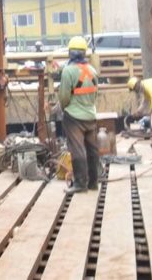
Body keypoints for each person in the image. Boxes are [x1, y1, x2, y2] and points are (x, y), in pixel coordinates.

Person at [57, 35, 100, 194]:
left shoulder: (68, 71)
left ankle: (80, 184)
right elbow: (96, 94)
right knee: (92, 150)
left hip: (74, 117)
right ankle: (93, 182)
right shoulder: (93, 71)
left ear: (70, 53)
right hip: (90, 115)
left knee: (78, 150)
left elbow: (64, 97)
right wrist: (88, 106)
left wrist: (63, 108)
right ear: (84, 53)